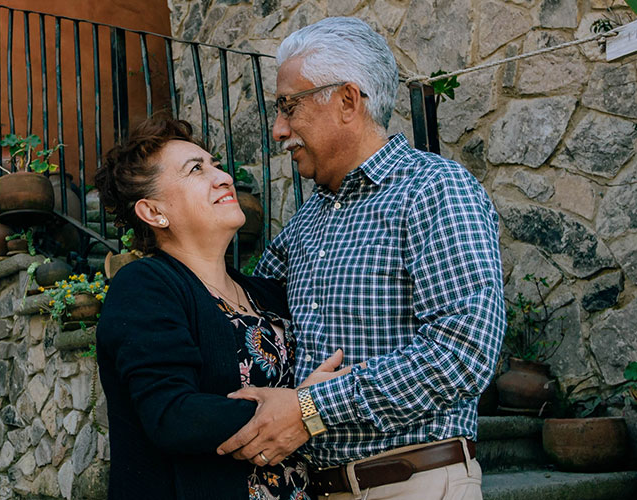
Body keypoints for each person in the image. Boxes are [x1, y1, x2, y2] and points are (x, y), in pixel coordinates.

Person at [217, 17, 506, 500]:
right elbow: (249, 324)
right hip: (317, 489)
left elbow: (464, 354)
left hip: (416, 484)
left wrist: (312, 408)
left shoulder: (435, 189)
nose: (278, 129)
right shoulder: (306, 221)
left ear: (348, 101)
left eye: (289, 106)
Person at [95, 116, 327, 499]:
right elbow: (172, 415)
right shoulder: (145, 287)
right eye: (196, 169)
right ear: (153, 213)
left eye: (215, 164)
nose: (223, 177)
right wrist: (305, 408)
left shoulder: (265, 293)